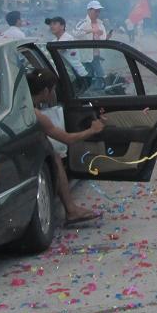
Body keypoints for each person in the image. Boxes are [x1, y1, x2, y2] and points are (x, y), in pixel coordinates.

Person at [26, 67, 104, 227]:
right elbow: (67, 139)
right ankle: (71, 210)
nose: (55, 93)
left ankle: (70, 209)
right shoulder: (36, 114)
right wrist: (92, 130)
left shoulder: (26, 106)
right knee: (55, 157)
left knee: (54, 155)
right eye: (53, 89)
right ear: (46, 91)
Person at [45, 16, 87, 85]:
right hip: (68, 74)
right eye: (50, 24)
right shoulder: (54, 41)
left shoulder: (67, 38)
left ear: (62, 26)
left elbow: (54, 52)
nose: (51, 26)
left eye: (54, 24)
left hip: (77, 75)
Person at [75, 0, 107, 81]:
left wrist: (105, 38)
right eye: (95, 11)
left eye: (98, 11)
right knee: (90, 76)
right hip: (86, 56)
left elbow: (103, 38)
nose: (97, 13)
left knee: (99, 75)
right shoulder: (83, 23)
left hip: (96, 55)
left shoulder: (100, 24)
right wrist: (91, 30)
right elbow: (75, 33)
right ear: (89, 11)